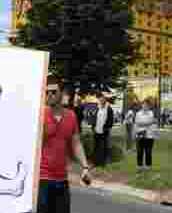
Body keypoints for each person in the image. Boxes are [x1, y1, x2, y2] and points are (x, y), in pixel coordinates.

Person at [38, 76, 91, 213]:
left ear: (61, 93)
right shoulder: (39, 115)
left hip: (62, 179)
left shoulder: (71, 116)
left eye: (54, 92)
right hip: (42, 179)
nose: (49, 95)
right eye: (46, 92)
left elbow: (76, 143)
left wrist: (85, 167)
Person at [133, 99, 158, 170]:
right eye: (143, 105)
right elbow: (137, 123)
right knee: (139, 151)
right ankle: (139, 166)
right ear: (142, 105)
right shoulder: (138, 113)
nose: (145, 106)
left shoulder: (151, 113)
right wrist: (146, 123)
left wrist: (143, 123)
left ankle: (148, 166)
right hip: (140, 134)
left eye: (147, 105)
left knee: (148, 151)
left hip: (149, 135)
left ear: (149, 106)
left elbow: (151, 122)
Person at [92, 97, 115, 168]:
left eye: (102, 101)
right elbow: (94, 118)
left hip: (104, 131)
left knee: (103, 147)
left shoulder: (108, 109)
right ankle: (96, 162)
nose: (101, 102)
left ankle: (102, 163)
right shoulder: (97, 108)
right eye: (100, 100)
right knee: (96, 147)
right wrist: (93, 127)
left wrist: (106, 128)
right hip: (96, 130)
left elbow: (111, 120)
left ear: (105, 101)